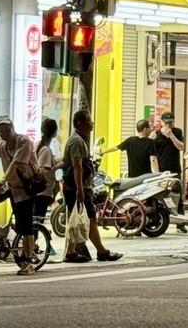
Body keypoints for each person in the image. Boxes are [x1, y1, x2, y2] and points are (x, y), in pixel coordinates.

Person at [60, 110, 123, 264]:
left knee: (79, 218)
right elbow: (77, 167)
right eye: (89, 120)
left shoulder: (78, 140)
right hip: (77, 188)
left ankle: (71, 251)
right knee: (90, 219)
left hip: (79, 187)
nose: (92, 123)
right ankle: (101, 252)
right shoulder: (77, 141)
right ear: (80, 123)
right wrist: (80, 190)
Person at [0, 115, 41, 274]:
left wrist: (3, 179)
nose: (4, 134)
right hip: (10, 187)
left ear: (13, 128)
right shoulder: (1, 145)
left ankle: (28, 262)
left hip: (25, 189)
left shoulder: (23, 141)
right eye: (1, 131)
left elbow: (16, 163)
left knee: (25, 225)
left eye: (7, 130)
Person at [153, 111, 187, 232]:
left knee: (178, 196)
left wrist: (171, 135)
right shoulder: (156, 135)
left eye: (171, 122)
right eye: (166, 122)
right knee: (159, 196)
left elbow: (181, 147)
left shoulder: (177, 132)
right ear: (161, 122)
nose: (168, 125)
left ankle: (180, 224)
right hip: (162, 170)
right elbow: (153, 155)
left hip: (175, 169)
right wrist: (156, 172)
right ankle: (158, 221)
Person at [32, 118, 59, 233]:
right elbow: (43, 170)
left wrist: (61, 159)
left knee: (35, 220)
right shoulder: (46, 149)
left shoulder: (38, 144)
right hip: (43, 191)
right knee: (37, 223)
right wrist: (60, 165)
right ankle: (32, 242)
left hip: (36, 191)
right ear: (55, 132)